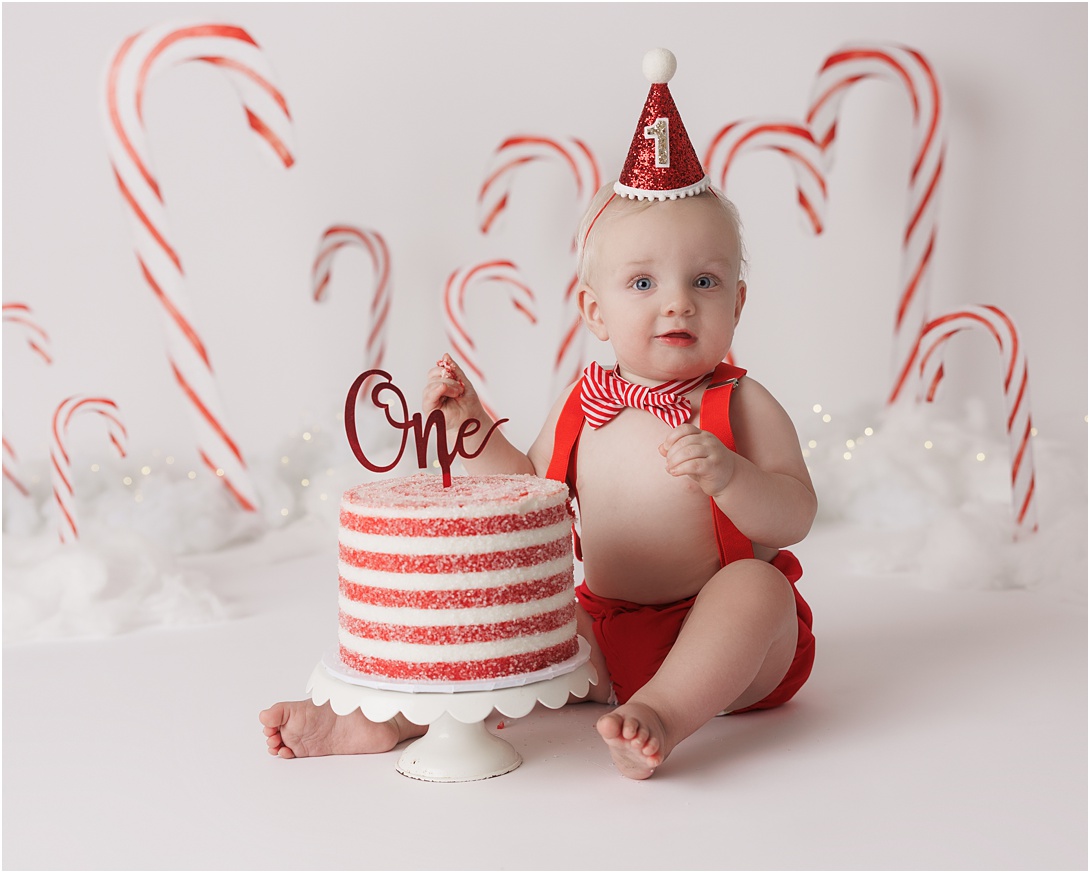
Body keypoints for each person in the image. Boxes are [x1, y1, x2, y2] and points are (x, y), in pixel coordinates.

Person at [261, 49, 817, 779]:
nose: (677, 300)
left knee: (757, 589)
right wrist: (472, 423)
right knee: (516, 619)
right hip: (607, 630)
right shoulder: (588, 403)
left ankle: (663, 716)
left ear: (737, 304)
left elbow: (794, 511)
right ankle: (388, 718)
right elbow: (528, 481)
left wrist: (733, 476)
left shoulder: (738, 403)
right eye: (643, 281)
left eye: (705, 280)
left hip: (730, 646)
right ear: (594, 309)